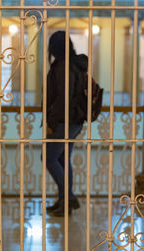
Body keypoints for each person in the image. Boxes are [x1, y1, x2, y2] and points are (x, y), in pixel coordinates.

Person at [44, 31, 87, 217]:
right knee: (62, 160)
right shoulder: (74, 65)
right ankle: (64, 202)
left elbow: (63, 98)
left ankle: (67, 198)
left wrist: (52, 122)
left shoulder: (63, 67)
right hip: (74, 121)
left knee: (49, 158)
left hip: (64, 121)